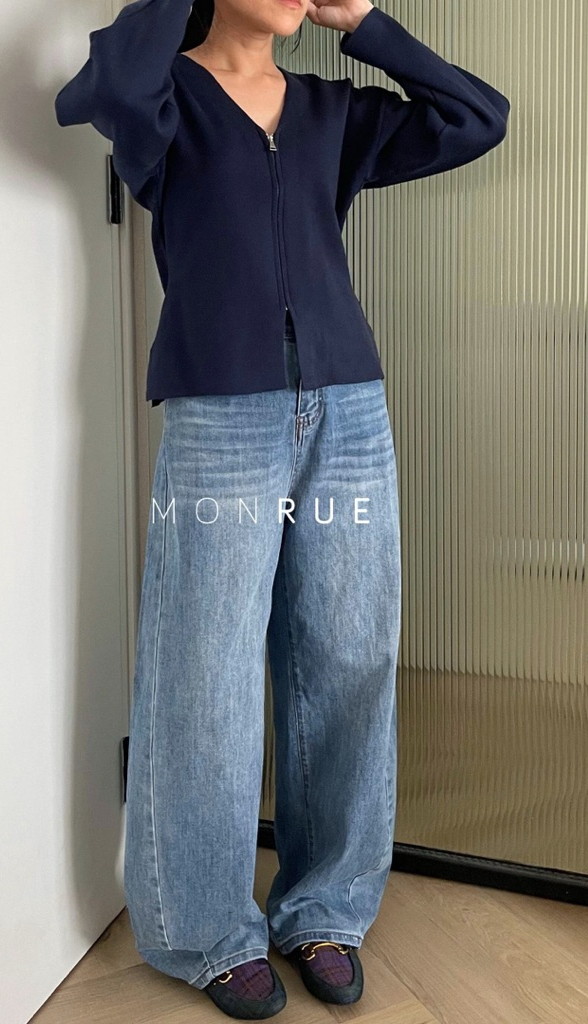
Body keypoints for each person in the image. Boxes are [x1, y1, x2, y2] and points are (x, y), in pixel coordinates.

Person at [55, 0, 509, 1017]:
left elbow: (478, 118)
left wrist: (367, 23)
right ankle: (204, 930)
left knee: (348, 657)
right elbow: (98, 85)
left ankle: (325, 910)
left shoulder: (329, 110)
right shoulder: (161, 99)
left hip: (348, 406)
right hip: (222, 413)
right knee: (205, 669)